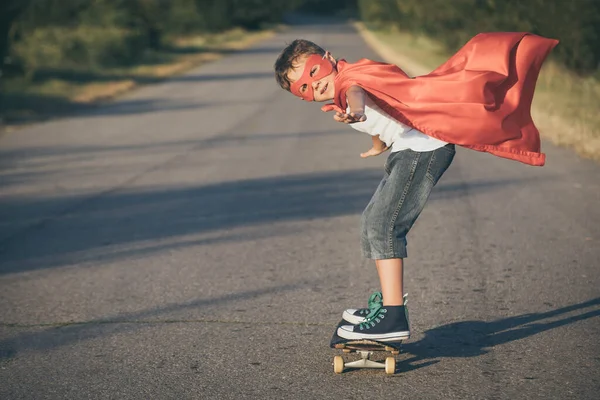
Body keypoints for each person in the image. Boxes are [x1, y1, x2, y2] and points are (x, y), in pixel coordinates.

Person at [273, 33, 558, 342]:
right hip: (411, 147)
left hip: (422, 148)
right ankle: (387, 305)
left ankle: (393, 316)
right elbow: (380, 105)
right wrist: (377, 142)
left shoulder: (348, 84)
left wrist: (355, 111)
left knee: (382, 225)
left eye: (313, 72)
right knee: (374, 223)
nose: (314, 85)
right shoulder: (355, 72)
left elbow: (357, 95)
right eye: (303, 88)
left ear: (327, 57)